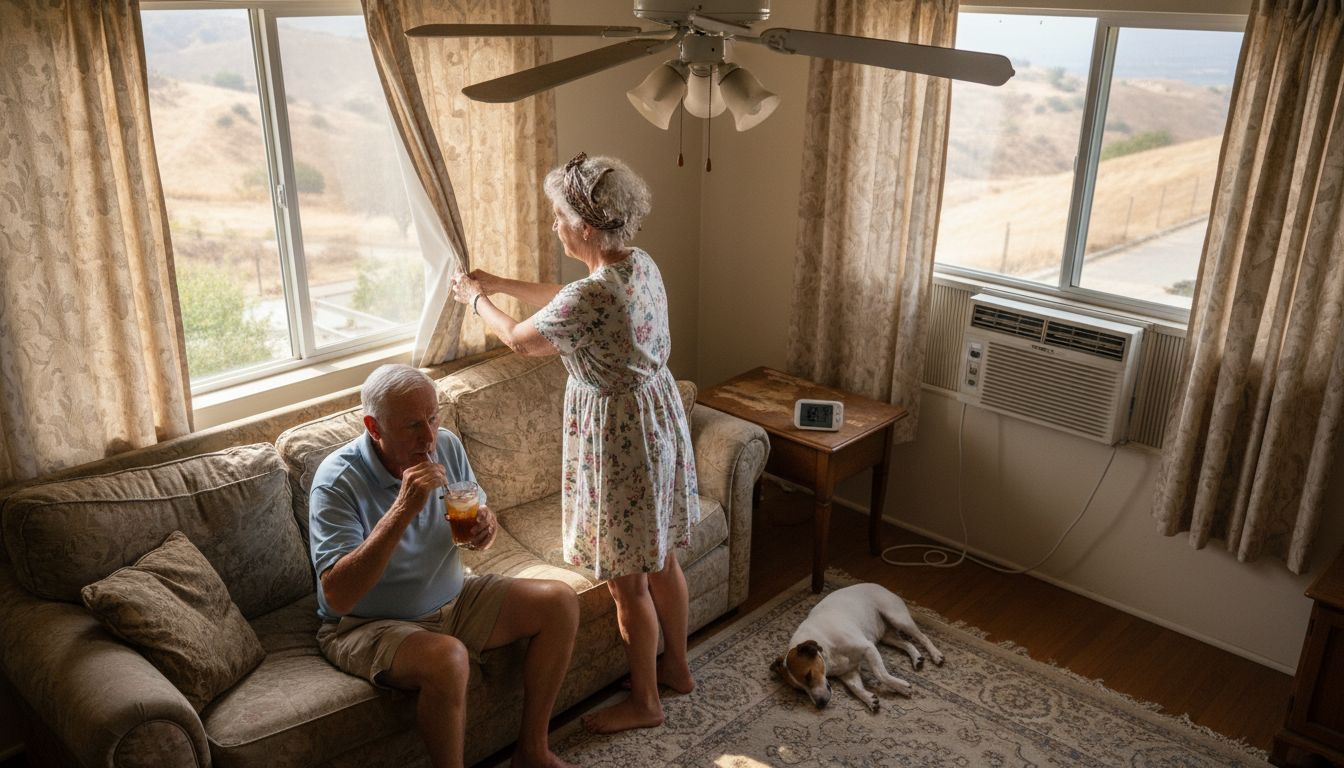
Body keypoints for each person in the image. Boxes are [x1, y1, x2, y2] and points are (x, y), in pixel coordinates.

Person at [449, 152, 700, 735]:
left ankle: (646, 702)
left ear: (586, 226)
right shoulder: (638, 264)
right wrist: (501, 281)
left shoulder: (589, 299)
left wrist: (474, 298)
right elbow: (570, 295)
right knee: (662, 557)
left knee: (626, 581)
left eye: (560, 217)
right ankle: (679, 671)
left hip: (618, 441)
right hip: (655, 421)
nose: (556, 226)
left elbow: (519, 340)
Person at [309, 363, 579, 768]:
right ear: (373, 426)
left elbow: (472, 513)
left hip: (455, 598)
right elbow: (338, 594)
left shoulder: (446, 446)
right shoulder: (336, 481)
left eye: (433, 418)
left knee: (560, 601)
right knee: (449, 659)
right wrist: (402, 508)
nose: (429, 437)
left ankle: (532, 751)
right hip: (368, 623)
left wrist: (484, 527)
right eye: (413, 425)